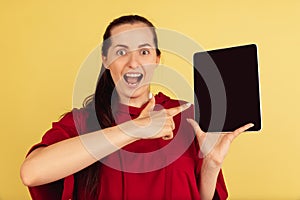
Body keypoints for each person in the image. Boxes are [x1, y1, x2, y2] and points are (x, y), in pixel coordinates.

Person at [20, 15, 253, 200]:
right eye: (121, 52)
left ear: (157, 59)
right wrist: (134, 129)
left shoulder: (187, 115)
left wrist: (212, 165)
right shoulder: (83, 122)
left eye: (144, 51)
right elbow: (31, 173)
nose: (133, 62)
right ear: (105, 60)